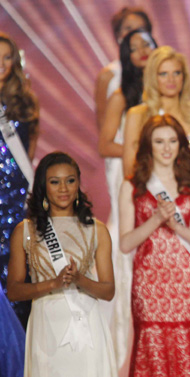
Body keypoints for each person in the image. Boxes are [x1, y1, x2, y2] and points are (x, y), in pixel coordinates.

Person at [119, 114, 190, 376]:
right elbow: (126, 243)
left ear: (180, 144)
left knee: (186, 353)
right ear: (148, 146)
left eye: (172, 141)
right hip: (149, 285)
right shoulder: (132, 186)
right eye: (159, 141)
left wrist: (177, 227)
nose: (166, 147)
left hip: (186, 283)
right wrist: (157, 219)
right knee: (153, 353)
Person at [7, 151, 117, 376]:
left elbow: (108, 291)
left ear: (78, 182)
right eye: (55, 182)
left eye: (70, 180)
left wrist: (79, 280)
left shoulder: (97, 229)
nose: (64, 189)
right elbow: (14, 291)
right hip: (46, 326)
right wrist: (53, 284)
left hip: (88, 326)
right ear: (43, 186)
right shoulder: (26, 230)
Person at [97, 28, 156, 374]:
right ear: (126, 56)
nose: (141, 51)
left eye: (146, 44)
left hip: (161, 180)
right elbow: (105, 145)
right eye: (133, 48)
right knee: (130, 252)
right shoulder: (121, 95)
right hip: (131, 178)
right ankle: (125, 349)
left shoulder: (166, 90)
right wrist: (144, 151)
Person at [122, 46, 190, 182]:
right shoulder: (138, 115)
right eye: (163, 74)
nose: (171, 79)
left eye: (176, 73)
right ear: (153, 77)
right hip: (153, 195)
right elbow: (129, 170)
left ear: (184, 77)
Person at [0, 33, 39, 328]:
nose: (2, 64)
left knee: (16, 271)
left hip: (15, 204)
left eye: (7, 57)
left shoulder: (25, 102)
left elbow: (29, 153)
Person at [95, 7, 152, 131]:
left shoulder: (161, 72)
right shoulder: (108, 75)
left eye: (141, 28)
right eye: (129, 28)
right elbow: (102, 125)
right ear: (118, 35)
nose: (136, 33)